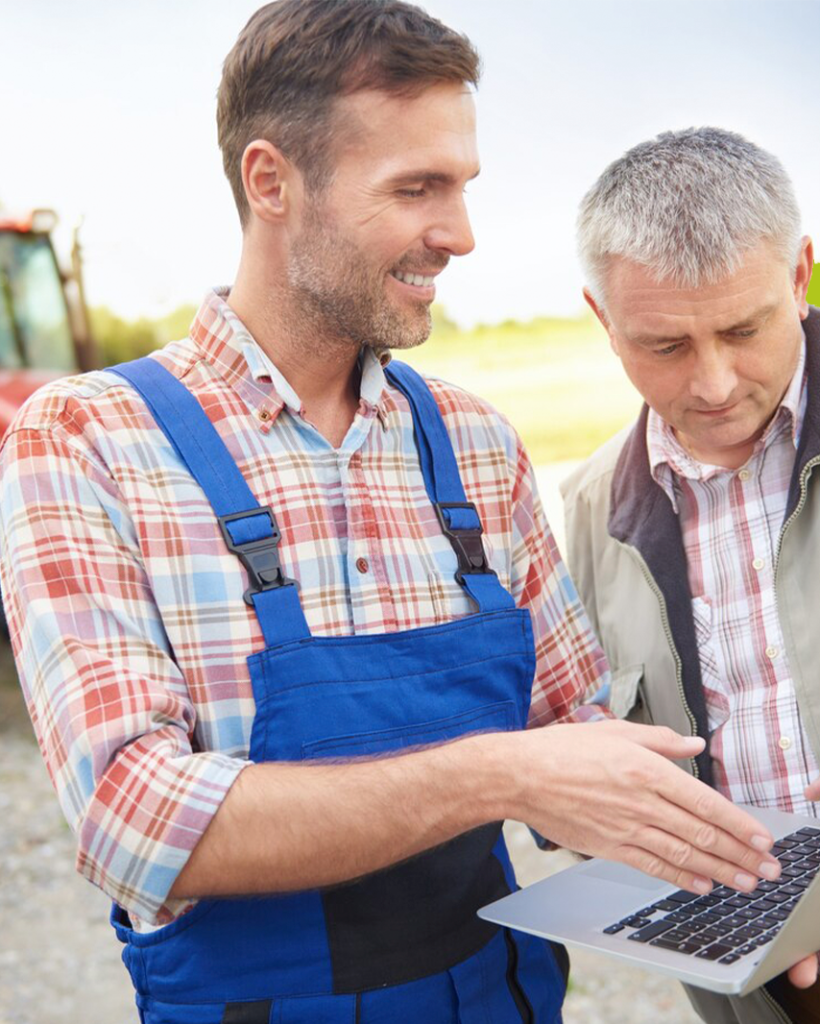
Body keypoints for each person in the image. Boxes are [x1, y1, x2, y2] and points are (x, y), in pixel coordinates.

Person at [0, 8, 780, 1021]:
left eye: (460, 186)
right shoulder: (86, 440)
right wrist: (501, 774)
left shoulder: (472, 439)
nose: (459, 234)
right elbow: (136, 821)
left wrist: (765, 883)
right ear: (272, 182)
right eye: (416, 189)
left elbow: (581, 748)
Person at [563, 126, 820, 1024]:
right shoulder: (589, 511)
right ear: (604, 320)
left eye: (743, 330)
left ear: (800, 275)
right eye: (665, 346)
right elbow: (575, 790)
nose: (712, 384)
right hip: (753, 992)